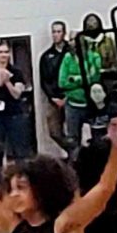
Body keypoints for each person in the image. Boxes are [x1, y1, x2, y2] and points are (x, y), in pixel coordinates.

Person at [0, 41, 31, 183]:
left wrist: (8, 81)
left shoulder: (16, 72)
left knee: (19, 149)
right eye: (0, 52)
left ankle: (22, 179)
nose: (3, 55)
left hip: (14, 115)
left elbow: (17, 94)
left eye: (6, 52)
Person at [58, 31, 102, 153]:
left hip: (91, 104)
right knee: (73, 141)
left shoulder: (94, 56)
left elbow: (95, 78)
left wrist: (76, 79)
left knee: (97, 138)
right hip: (73, 104)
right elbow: (62, 83)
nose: (74, 42)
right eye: (71, 39)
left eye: (77, 39)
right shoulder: (67, 58)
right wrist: (84, 79)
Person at [38, 20, 70, 152]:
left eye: (58, 31)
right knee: (54, 131)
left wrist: (67, 96)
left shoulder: (72, 53)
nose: (56, 35)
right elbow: (44, 80)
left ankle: (77, 155)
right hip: (54, 99)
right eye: (53, 32)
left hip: (71, 97)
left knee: (75, 131)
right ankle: (71, 150)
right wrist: (53, 98)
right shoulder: (46, 56)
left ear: (64, 33)